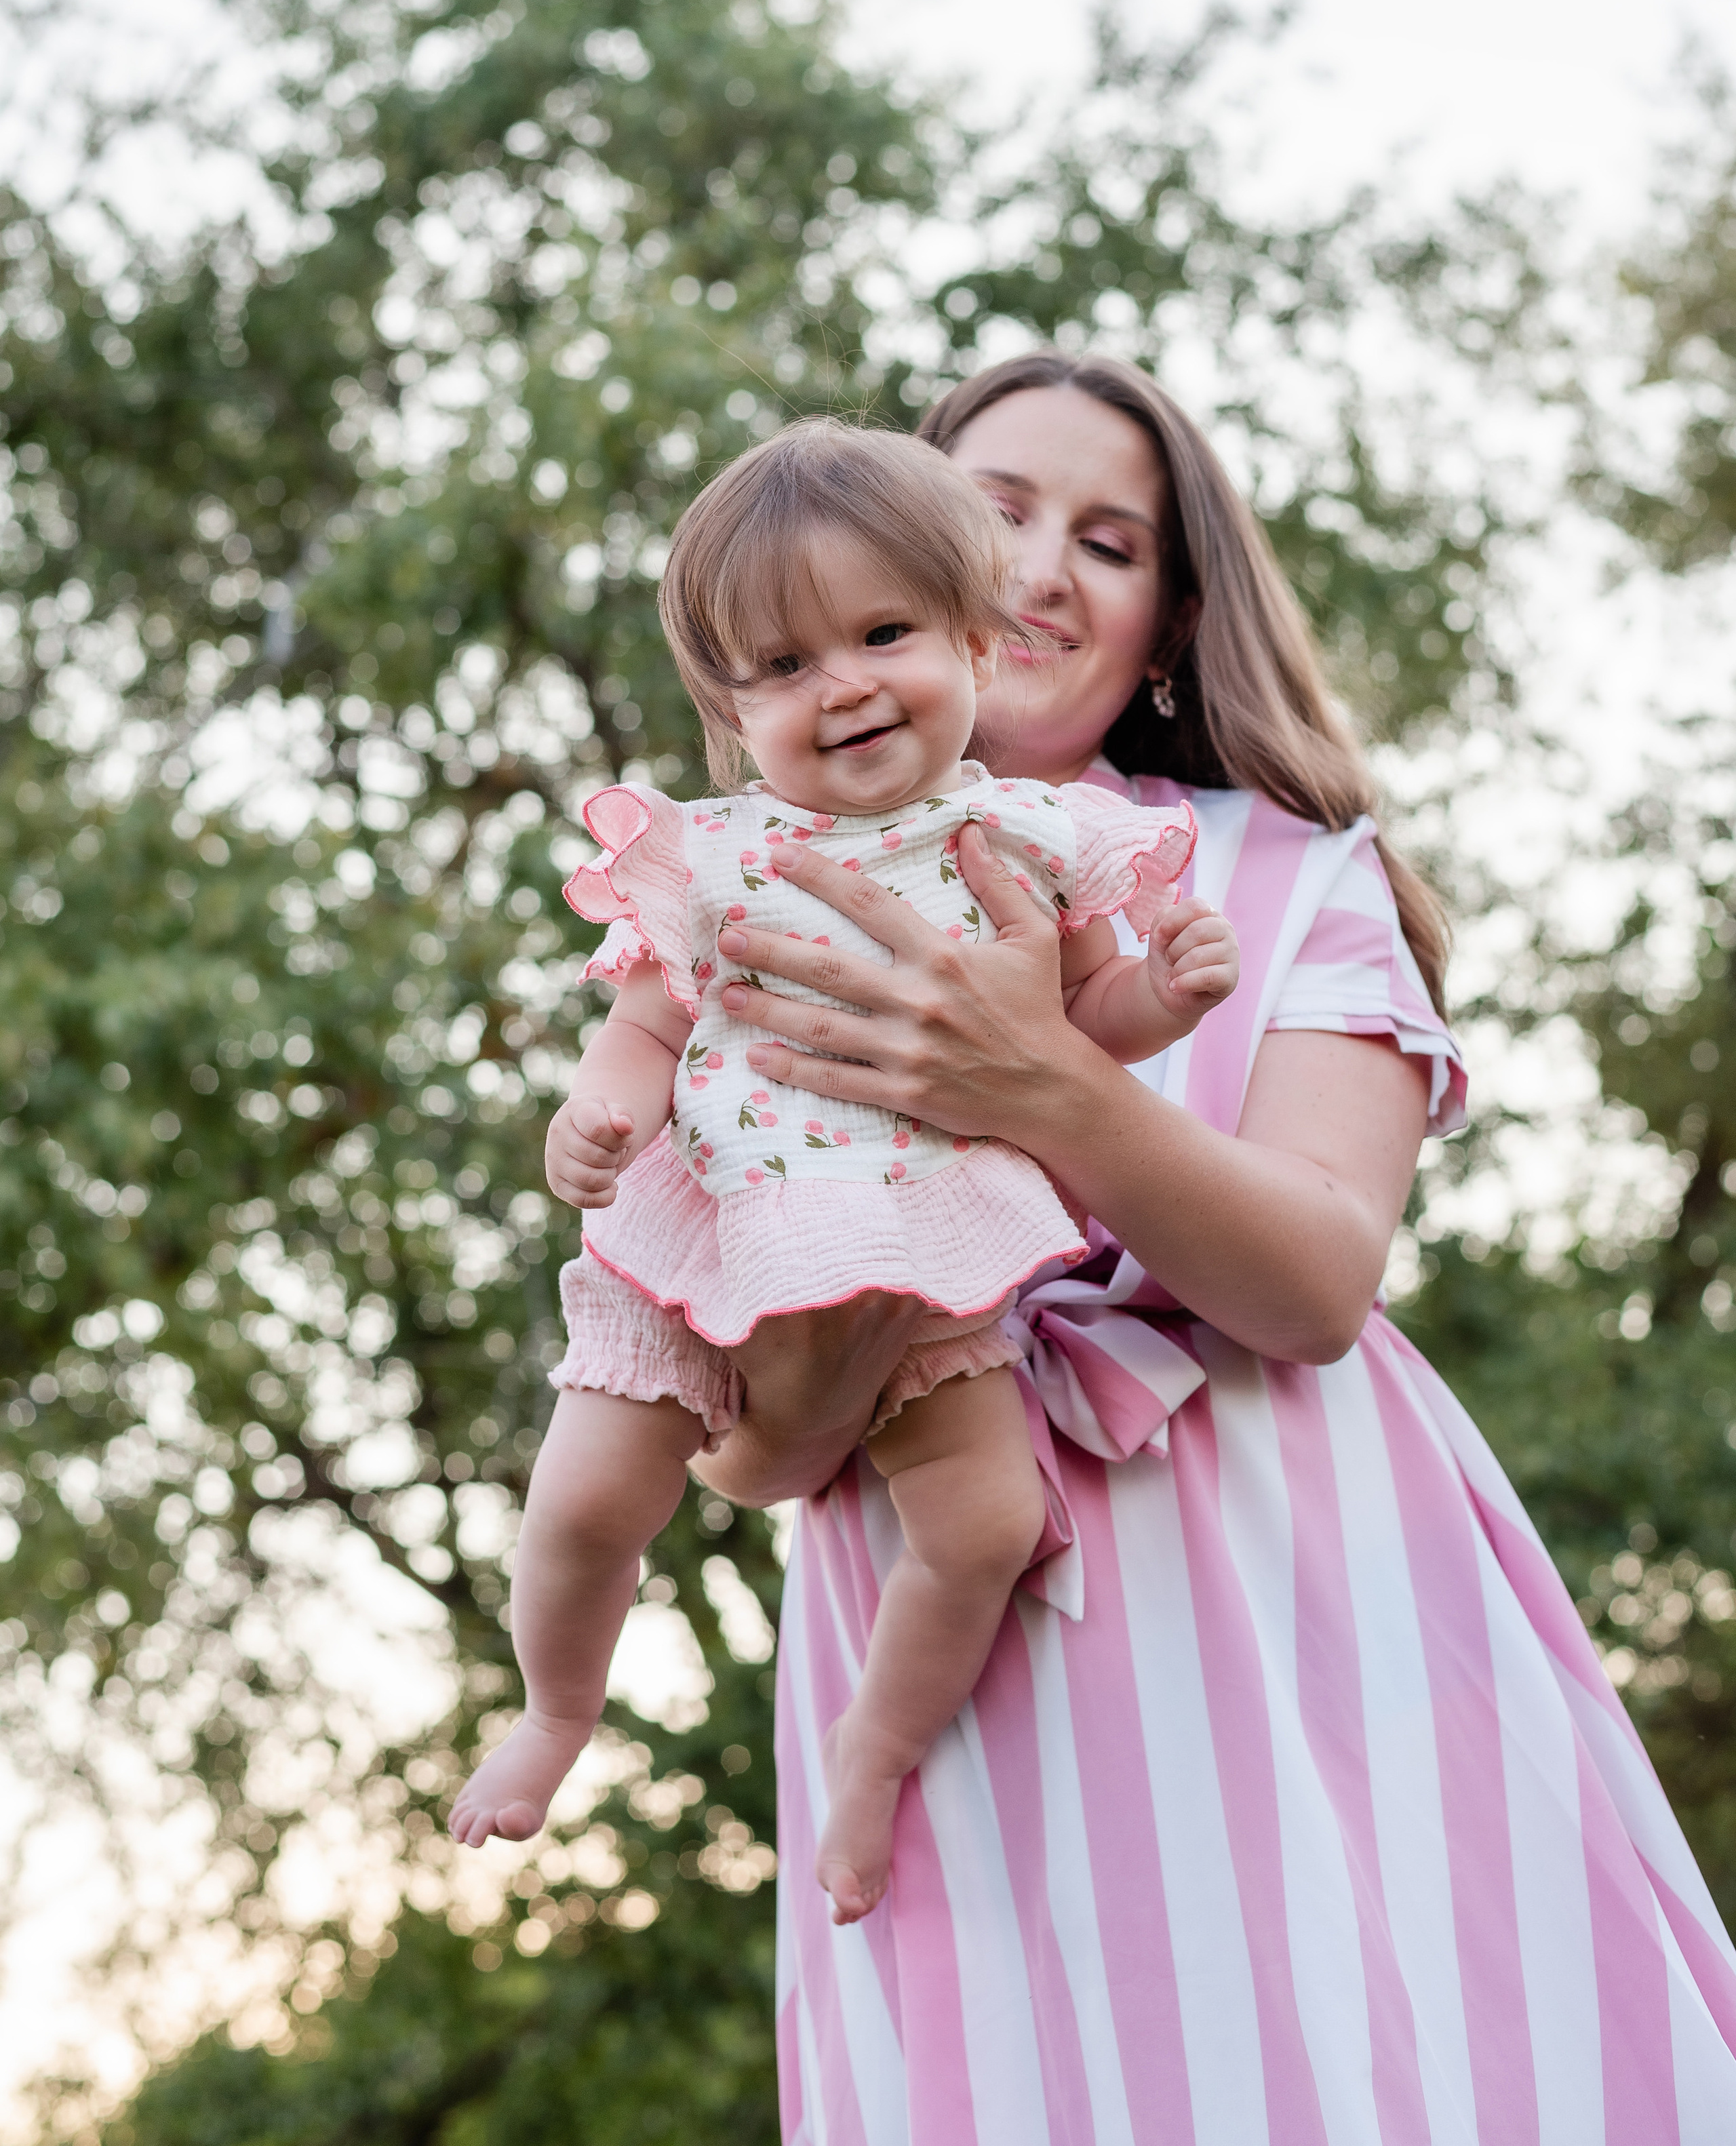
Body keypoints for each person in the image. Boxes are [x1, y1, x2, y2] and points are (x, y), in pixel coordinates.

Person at [691, 356, 1736, 2143]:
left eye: (1109, 543)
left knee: (1362, 2058)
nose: (1040, 569)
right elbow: (747, 1442)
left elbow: (1314, 1285)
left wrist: (1036, 1084)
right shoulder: (756, 898)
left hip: (1286, 1578)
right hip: (933, 1622)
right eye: (996, 514)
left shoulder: (1290, 876)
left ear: (1170, 628)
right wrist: (849, 1345)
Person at [449, 422, 1238, 1927]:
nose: (845, 686)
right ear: (732, 709)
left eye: (883, 635)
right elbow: (644, 1023)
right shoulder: (715, 855)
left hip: (931, 1248)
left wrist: (1165, 991)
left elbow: (1083, 1024)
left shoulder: (1026, 836)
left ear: (975, 641)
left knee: (986, 1527)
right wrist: (596, 1115)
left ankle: (873, 1751)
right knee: (587, 1496)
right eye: (784, 665)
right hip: (715, 1226)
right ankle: (555, 1708)